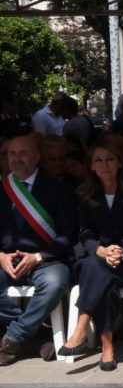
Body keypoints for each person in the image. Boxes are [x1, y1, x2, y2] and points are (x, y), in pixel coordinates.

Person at [58, 137, 123, 371]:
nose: (104, 164)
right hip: (97, 258)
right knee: (98, 271)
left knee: (98, 272)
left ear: (119, 163)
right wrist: (100, 250)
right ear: (91, 165)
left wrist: (122, 252)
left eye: (109, 159)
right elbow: (85, 233)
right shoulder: (85, 194)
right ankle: (107, 347)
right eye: (98, 160)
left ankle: (82, 328)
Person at [0, 135, 77, 365]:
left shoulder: (58, 188)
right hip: (7, 260)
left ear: (37, 157)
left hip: (46, 260)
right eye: (12, 154)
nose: (17, 159)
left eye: (23, 153)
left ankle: (14, 337)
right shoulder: (2, 188)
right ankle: (37, 334)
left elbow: (69, 233)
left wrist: (39, 256)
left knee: (55, 283)